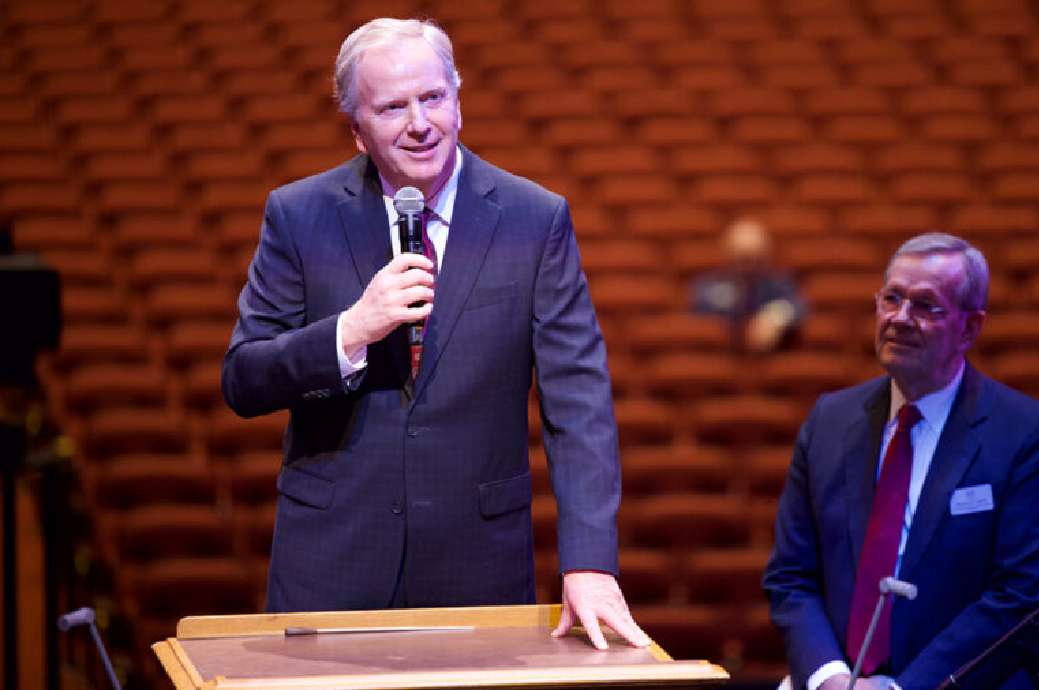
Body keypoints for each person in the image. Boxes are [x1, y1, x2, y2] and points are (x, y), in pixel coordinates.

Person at [221, 17, 648, 650]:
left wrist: (588, 560)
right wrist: (350, 332)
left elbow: (577, 404)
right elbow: (244, 379)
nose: (420, 123)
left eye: (433, 98)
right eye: (393, 107)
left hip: (476, 565)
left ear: (459, 99)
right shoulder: (298, 215)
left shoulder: (535, 219)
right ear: (357, 131)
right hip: (331, 567)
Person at [763, 232, 1039, 689]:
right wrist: (830, 678)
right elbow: (791, 576)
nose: (900, 318)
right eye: (891, 298)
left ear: (969, 328)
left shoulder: (1030, 436)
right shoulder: (829, 420)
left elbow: (1022, 599)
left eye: (926, 306)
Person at [690, 216, 803, 354]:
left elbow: (798, 306)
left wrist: (774, 318)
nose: (747, 267)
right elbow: (699, 312)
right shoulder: (708, 285)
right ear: (727, 254)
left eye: (754, 257)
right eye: (742, 257)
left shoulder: (776, 284)